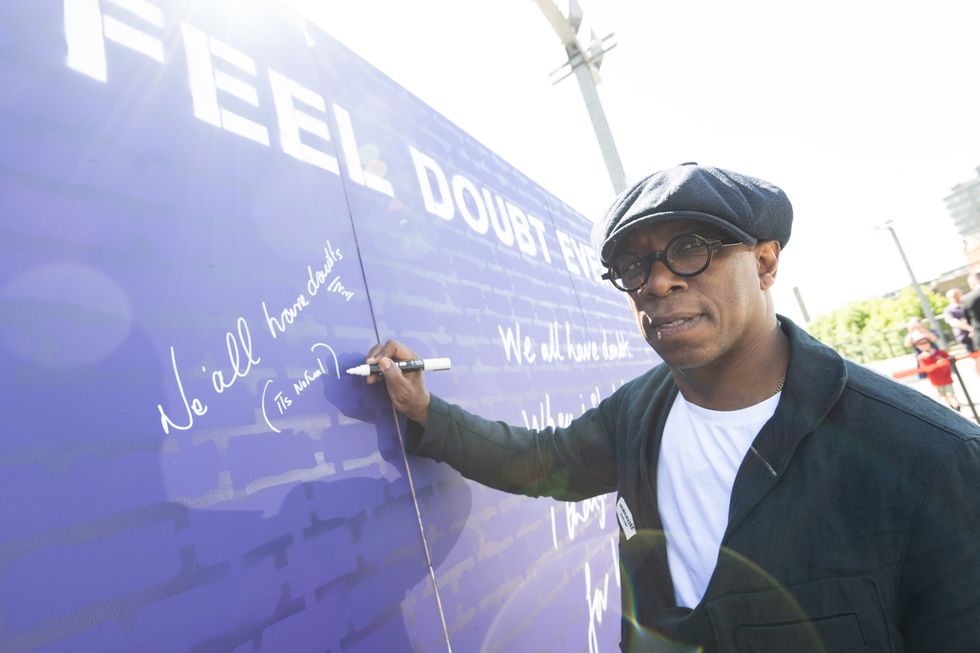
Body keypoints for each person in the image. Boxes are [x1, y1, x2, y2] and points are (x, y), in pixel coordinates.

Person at [361, 163, 980, 651]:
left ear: (764, 264)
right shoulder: (639, 415)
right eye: (633, 267)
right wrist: (424, 411)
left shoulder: (929, 457)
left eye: (690, 250)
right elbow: (538, 460)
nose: (659, 283)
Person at [912, 332, 962, 411]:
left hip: (946, 378)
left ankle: (958, 410)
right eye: (920, 344)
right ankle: (951, 410)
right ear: (917, 347)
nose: (924, 345)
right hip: (935, 381)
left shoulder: (939, 352)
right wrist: (934, 363)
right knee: (943, 396)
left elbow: (950, 358)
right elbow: (925, 369)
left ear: (929, 342)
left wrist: (944, 360)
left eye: (925, 342)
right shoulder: (921, 357)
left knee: (950, 395)